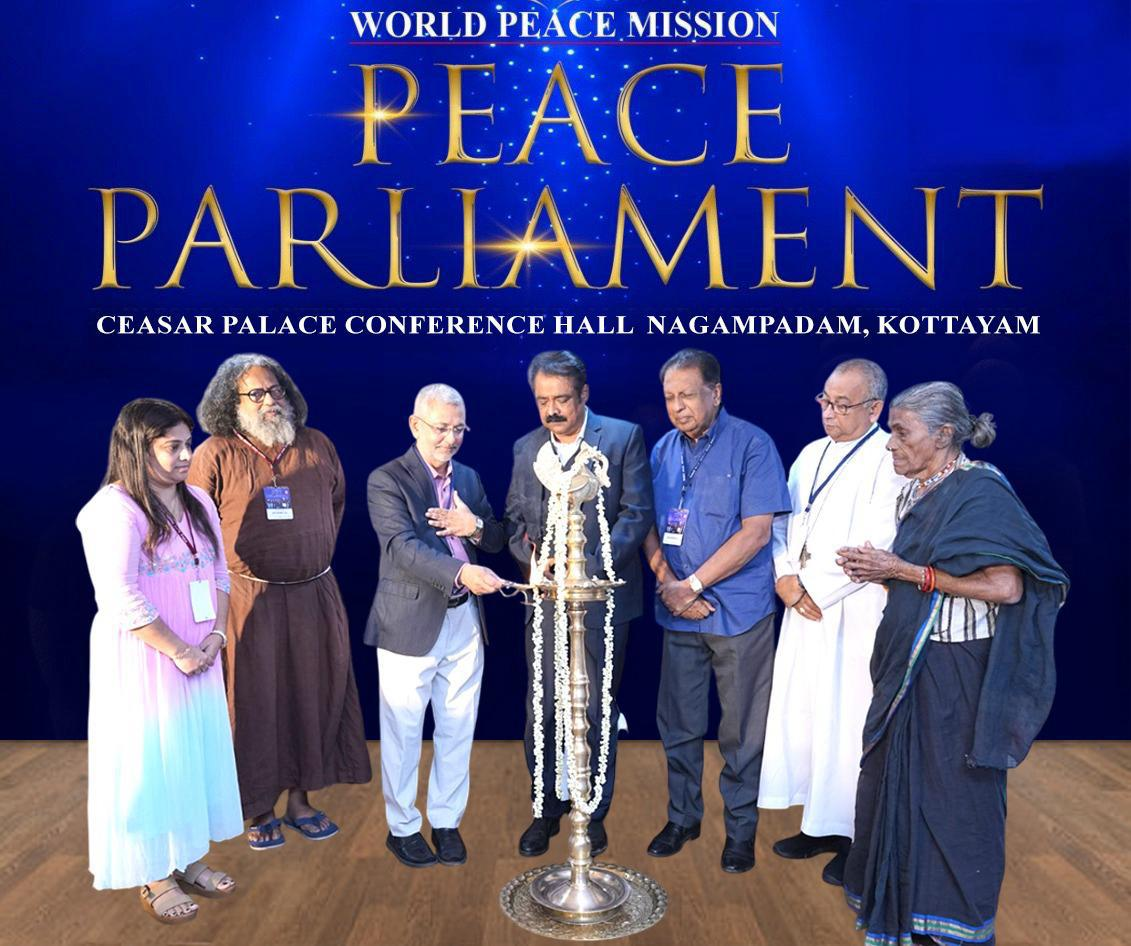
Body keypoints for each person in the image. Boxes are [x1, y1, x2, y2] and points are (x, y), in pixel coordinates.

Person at [836, 382, 1068, 946]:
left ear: (943, 435)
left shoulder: (980, 490)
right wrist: (878, 570)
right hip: (913, 666)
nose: (890, 442)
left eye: (901, 432)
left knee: (954, 799)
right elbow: (922, 580)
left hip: (955, 671)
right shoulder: (917, 490)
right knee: (900, 788)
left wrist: (903, 571)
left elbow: (1007, 587)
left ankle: (958, 927)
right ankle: (910, 916)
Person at [189, 354, 371, 851]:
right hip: (248, 600)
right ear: (230, 402)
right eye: (256, 393)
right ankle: (258, 807)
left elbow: (336, 504)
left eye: (276, 390)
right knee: (255, 702)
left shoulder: (316, 445)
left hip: (314, 592)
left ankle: (301, 801)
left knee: (312, 694)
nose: (269, 400)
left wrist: (306, 553)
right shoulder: (215, 453)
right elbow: (195, 530)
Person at [77, 399, 243, 924]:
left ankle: (187, 856)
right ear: (136, 447)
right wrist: (179, 650)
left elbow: (219, 574)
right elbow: (119, 596)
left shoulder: (198, 500)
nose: (186, 455)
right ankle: (153, 873)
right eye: (173, 446)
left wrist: (216, 635)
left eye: (187, 444)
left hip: (199, 655)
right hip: (145, 659)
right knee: (150, 762)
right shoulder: (113, 510)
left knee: (189, 756)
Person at [642, 349, 791, 873]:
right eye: (669, 397)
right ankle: (682, 818)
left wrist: (693, 584)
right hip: (678, 612)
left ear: (716, 392)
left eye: (687, 395)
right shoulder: (662, 450)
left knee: (741, 732)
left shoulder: (753, 444)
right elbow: (648, 524)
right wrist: (668, 582)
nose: (677, 407)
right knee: (678, 723)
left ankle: (740, 832)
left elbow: (756, 533)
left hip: (740, 615)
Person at [759, 359, 905, 887]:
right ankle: (819, 823)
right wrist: (784, 576)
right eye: (826, 400)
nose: (830, 413)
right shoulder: (810, 454)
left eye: (843, 405)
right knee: (809, 716)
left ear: (875, 408)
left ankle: (854, 835)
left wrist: (811, 588)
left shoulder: (889, 459)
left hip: (852, 609)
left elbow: (878, 542)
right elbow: (781, 523)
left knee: (847, 721)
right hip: (803, 608)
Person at [505, 350, 654, 858]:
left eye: (562, 399)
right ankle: (545, 809)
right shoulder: (526, 447)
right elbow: (515, 519)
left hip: (604, 602)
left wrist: (586, 566)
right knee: (543, 707)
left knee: (595, 707)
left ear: (584, 394)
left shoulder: (623, 437)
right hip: (546, 602)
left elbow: (637, 512)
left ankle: (592, 811)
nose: (552, 410)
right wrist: (535, 561)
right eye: (542, 400)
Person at [365, 384, 506, 868]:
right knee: (403, 731)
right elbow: (401, 548)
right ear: (415, 425)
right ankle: (402, 827)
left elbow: (496, 537)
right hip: (409, 621)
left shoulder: (468, 476)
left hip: (465, 618)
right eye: (441, 428)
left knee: (458, 726)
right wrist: (462, 572)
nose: (451, 439)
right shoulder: (387, 479)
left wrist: (475, 528)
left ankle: (446, 821)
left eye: (459, 429)